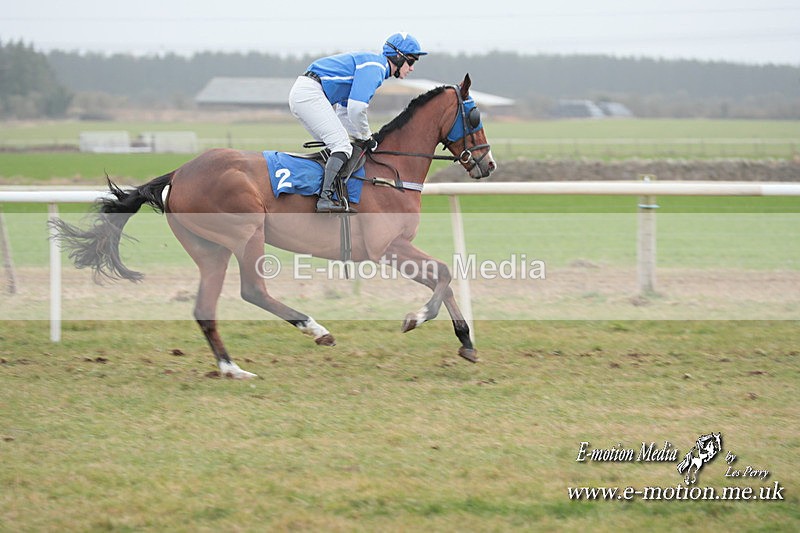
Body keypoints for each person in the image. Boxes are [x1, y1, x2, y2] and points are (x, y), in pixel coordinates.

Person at [289, 32, 427, 212]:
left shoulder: (373, 66)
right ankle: (324, 199)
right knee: (342, 146)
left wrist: (359, 137)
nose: (412, 68)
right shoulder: (375, 67)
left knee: (337, 146)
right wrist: (366, 136)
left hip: (307, 93)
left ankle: (322, 192)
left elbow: (344, 112)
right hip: (310, 93)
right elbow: (357, 108)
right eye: (411, 61)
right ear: (398, 57)